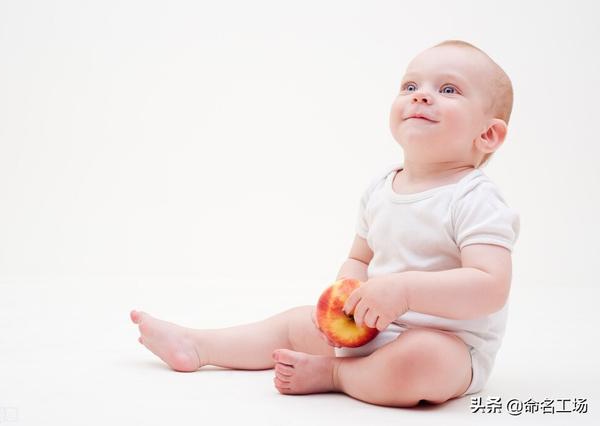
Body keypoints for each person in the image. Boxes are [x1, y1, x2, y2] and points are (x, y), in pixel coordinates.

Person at [129, 39, 520, 408]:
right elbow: (359, 260)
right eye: (410, 85)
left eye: (449, 90)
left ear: (487, 134)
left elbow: (490, 286)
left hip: (449, 348)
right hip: (371, 329)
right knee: (294, 324)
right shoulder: (381, 188)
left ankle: (336, 375)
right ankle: (200, 345)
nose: (422, 94)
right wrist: (344, 297)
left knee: (422, 360)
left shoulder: (473, 198)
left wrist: (403, 291)